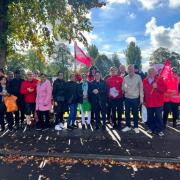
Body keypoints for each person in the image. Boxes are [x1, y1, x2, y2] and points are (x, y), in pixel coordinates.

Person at [143, 68, 167, 136]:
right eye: (149, 72)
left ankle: (159, 130)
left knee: (158, 117)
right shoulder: (145, 81)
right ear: (147, 73)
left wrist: (157, 87)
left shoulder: (160, 79)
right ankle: (151, 128)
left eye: (152, 72)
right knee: (150, 117)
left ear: (155, 72)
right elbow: (144, 92)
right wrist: (144, 100)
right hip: (149, 103)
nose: (151, 73)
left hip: (158, 103)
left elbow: (165, 89)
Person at [122, 65, 144, 133]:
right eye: (129, 69)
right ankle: (128, 126)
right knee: (127, 113)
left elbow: (141, 88)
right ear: (127, 70)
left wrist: (141, 98)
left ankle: (136, 127)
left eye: (131, 69)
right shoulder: (125, 78)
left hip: (135, 98)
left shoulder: (138, 77)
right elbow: (123, 87)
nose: (130, 70)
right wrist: (125, 89)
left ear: (134, 69)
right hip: (127, 98)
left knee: (135, 113)